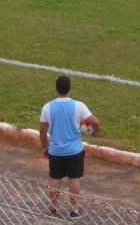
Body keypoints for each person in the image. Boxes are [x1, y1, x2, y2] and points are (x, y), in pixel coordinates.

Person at [40, 75, 101, 219]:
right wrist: (95, 132)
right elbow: (95, 122)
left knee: (55, 178)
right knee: (74, 178)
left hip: (55, 151)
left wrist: (45, 147)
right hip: (74, 151)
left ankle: (54, 208)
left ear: (56, 88)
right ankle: (74, 209)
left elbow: (43, 131)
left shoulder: (47, 107)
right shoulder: (79, 106)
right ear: (70, 88)